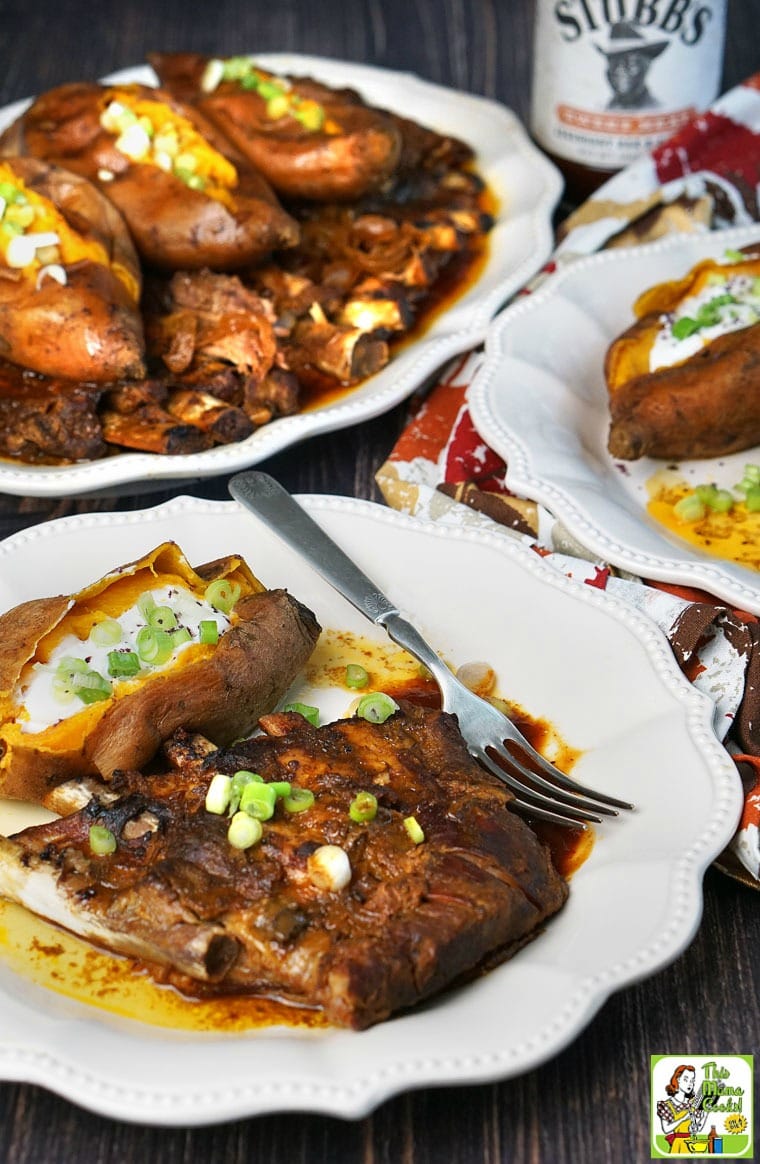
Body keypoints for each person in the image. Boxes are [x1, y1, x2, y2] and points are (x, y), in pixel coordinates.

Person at [594, 21, 669, 110]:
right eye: (614, 63)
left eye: (629, 63)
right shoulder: (605, 107)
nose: (620, 70)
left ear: (645, 67)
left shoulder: (656, 108)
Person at [656, 1064, 707, 1153]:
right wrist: (683, 1118)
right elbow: (666, 1129)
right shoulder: (666, 1105)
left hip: (691, 1145)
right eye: (686, 1079)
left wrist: (705, 1113)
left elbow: (696, 1128)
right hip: (677, 1146)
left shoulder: (692, 1104)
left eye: (692, 1081)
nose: (690, 1084)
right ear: (678, 1080)